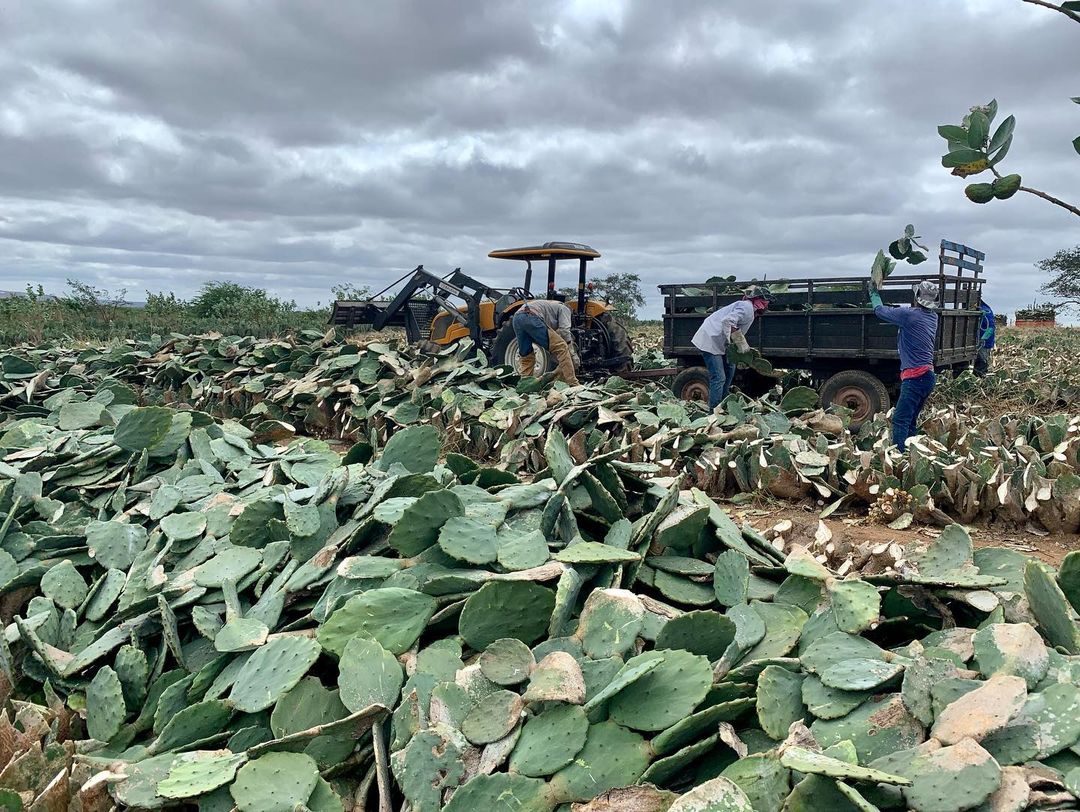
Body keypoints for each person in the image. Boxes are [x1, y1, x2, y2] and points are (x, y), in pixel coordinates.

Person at [870, 280, 940, 451]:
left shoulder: (909, 315)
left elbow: (880, 311)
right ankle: (911, 455)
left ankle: (899, 458)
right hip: (928, 376)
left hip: (915, 378)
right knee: (910, 419)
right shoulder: (933, 316)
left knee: (900, 420)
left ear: (916, 297)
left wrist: (874, 294)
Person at [691, 285, 773, 410]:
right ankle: (714, 411)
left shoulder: (749, 309)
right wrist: (740, 342)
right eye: (766, 302)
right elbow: (728, 321)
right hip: (711, 339)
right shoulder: (747, 307)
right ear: (760, 301)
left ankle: (722, 405)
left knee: (730, 370)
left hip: (721, 341)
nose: (767, 306)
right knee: (719, 377)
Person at [512, 295, 579, 385]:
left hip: (517, 318)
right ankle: (573, 383)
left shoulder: (550, 306)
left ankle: (524, 384)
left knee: (526, 355)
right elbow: (564, 330)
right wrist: (571, 351)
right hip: (531, 316)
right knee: (562, 347)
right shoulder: (565, 308)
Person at [974, 300, 995, 377]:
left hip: (984, 343)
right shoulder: (982, 309)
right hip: (978, 341)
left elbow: (991, 328)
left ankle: (980, 378)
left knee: (982, 361)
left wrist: (983, 340)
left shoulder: (986, 311)